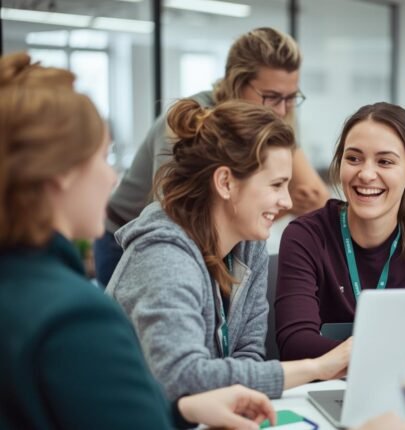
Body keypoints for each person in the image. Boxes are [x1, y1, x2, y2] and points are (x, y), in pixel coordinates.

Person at [0, 51, 278, 430]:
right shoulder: (76, 317)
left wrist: (181, 414)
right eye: (103, 157)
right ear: (61, 174)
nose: (112, 178)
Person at [105, 98, 350, 401]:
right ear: (225, 182)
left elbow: (248, 354)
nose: (287, 202)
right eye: (276, 185)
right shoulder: (163, 256)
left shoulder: (249, 246)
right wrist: (319, 367)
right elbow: (182, 378)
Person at [93, 27, 329, 287]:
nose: (282, 110)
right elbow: (177, 212)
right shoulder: (191, 121)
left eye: (291, 98)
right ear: (236, 82)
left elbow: (315, 196)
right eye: (271, 97)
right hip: (129, 237)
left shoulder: (273, 120)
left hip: (207, 239)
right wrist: (279, 205)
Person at [275, 102, 405, 361]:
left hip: (401, 393)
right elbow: (295, 346)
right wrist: (402, 354)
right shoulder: (306, 236)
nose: (366, 174)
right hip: (324, 393)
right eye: (353, 159)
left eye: (385, 161)